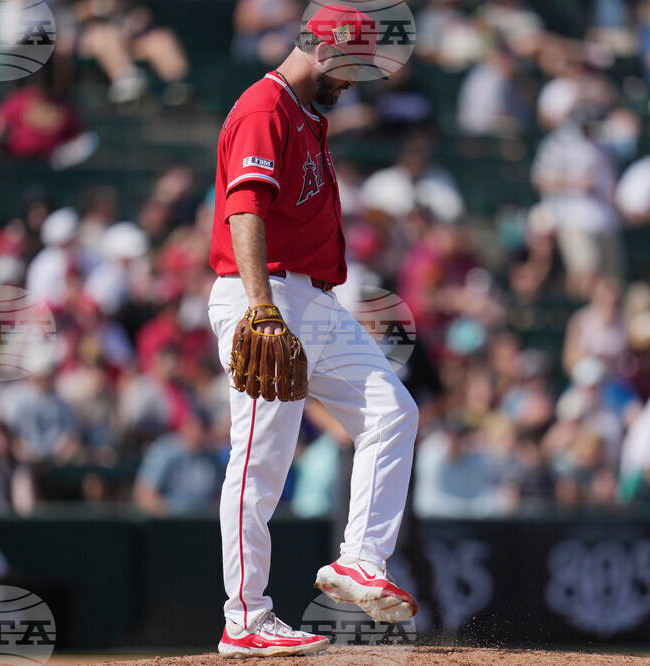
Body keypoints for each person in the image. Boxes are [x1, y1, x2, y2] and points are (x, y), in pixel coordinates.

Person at [208, 5, 419, 657]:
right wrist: (261, 305)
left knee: (392, 411)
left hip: (317, 302)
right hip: (267, 295)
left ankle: (359, 560)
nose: (356, 82)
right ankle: (244, 617)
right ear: (326, 52)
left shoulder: (307, 114)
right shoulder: (265, 106)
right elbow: (245, 209)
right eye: (354, 66)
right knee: (259, 463)